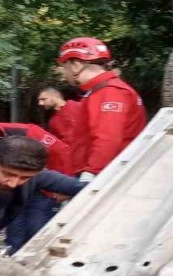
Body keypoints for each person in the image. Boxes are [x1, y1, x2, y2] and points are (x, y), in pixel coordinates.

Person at [54, 37, 146, 182]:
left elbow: (108, 138)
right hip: (108, 173)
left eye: (65, 67)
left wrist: (91, 174)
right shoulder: (100, 91)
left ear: (75, 65)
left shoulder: (108, 92)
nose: (65, 74)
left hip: (107, 176)